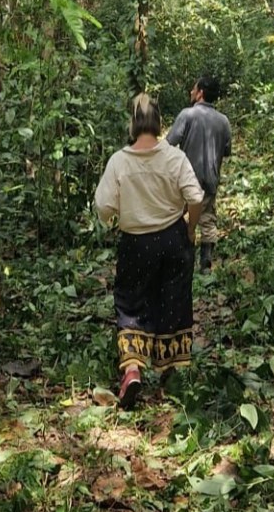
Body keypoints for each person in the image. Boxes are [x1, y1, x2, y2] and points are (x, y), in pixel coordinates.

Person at [95, 93, 205, 408]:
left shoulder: (119, 161)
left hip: (135, 242)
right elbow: (195, 198)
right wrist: (190, 227)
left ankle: (132, 369)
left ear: (132, 123)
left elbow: (104, 207)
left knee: (132, 302)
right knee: (173, 299)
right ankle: (170, 374)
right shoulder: (173, 157)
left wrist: (118, 214)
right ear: (158, 123)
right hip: (172, 237)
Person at [166, 75, 232, 274]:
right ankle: (205, 264)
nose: (191, 92)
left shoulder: (187, 115)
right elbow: (227, 151)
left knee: (175, 216)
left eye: (194, 88)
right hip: (210, 178)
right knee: (208, 219)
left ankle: (178, 260)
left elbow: (169, 142)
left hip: (186, 178)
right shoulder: (224, 121)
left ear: (201, 92)